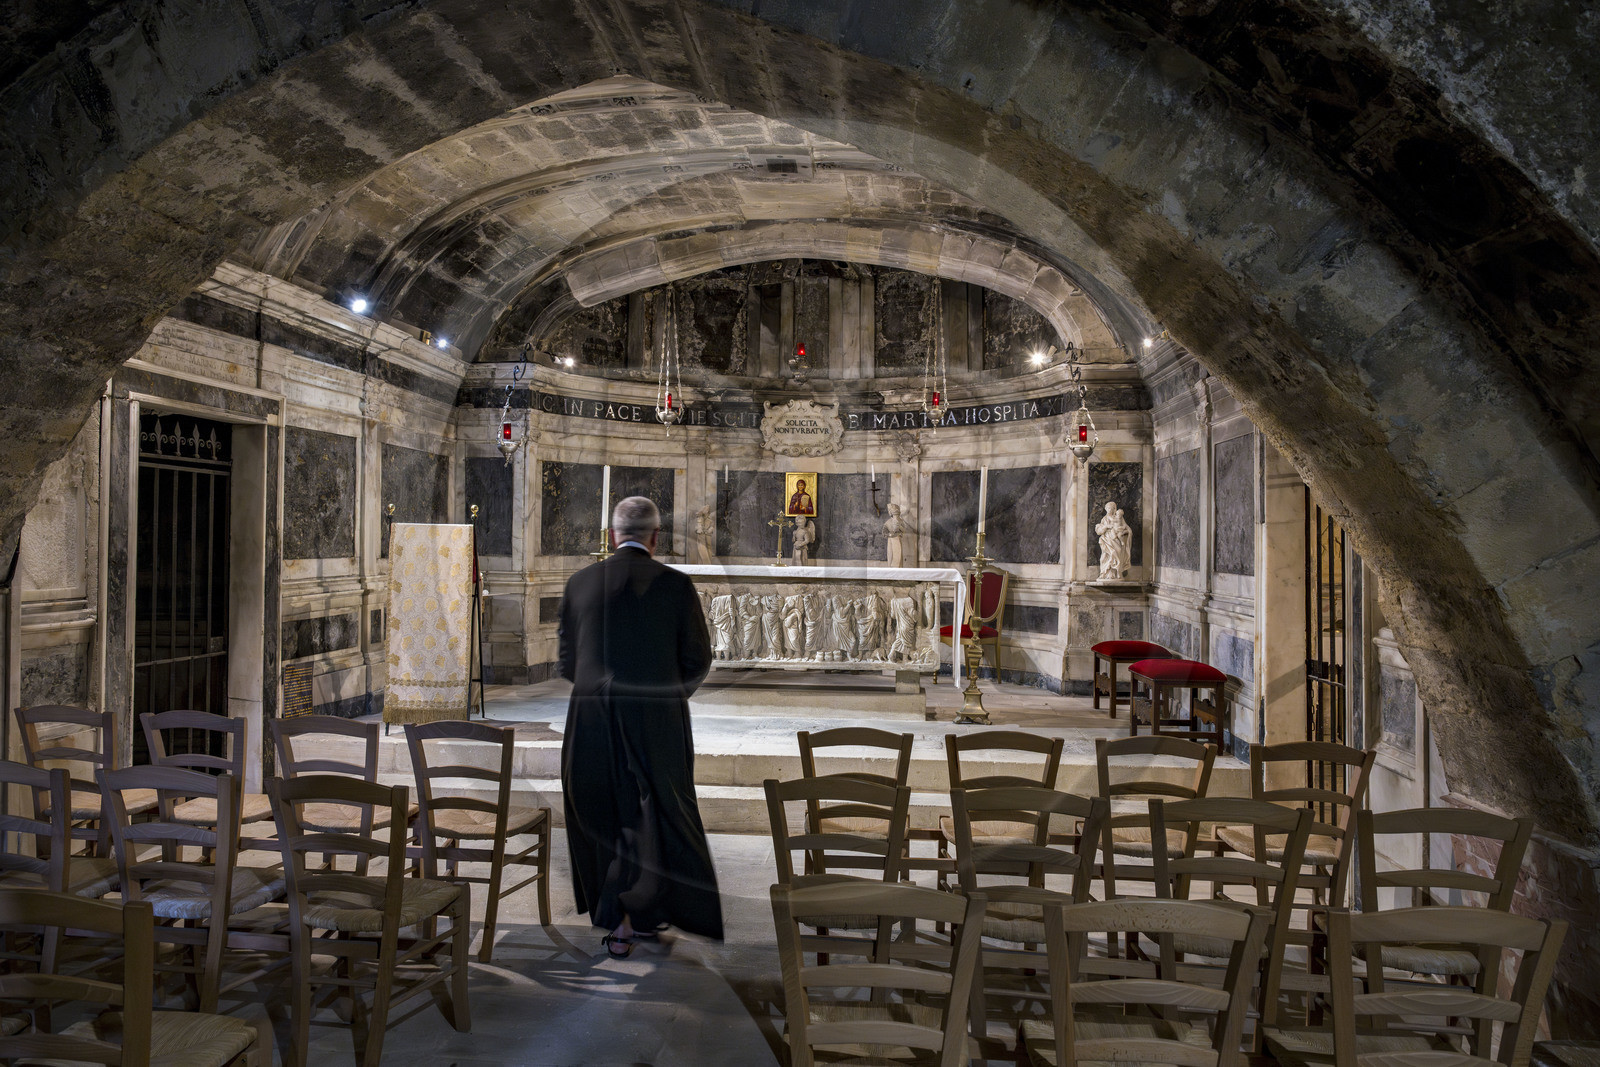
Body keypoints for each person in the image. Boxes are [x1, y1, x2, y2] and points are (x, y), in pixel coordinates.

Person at [558, 495, 721, 957]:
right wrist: (663, 696)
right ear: (655, 537)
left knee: (600, 811)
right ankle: (642, 914)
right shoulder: (675, 585)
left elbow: (570, 662)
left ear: (613, 536)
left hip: (590, 717)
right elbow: (697, 659)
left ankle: (620, 917)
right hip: (654, 718)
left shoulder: (580, 583)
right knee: (656, 813)